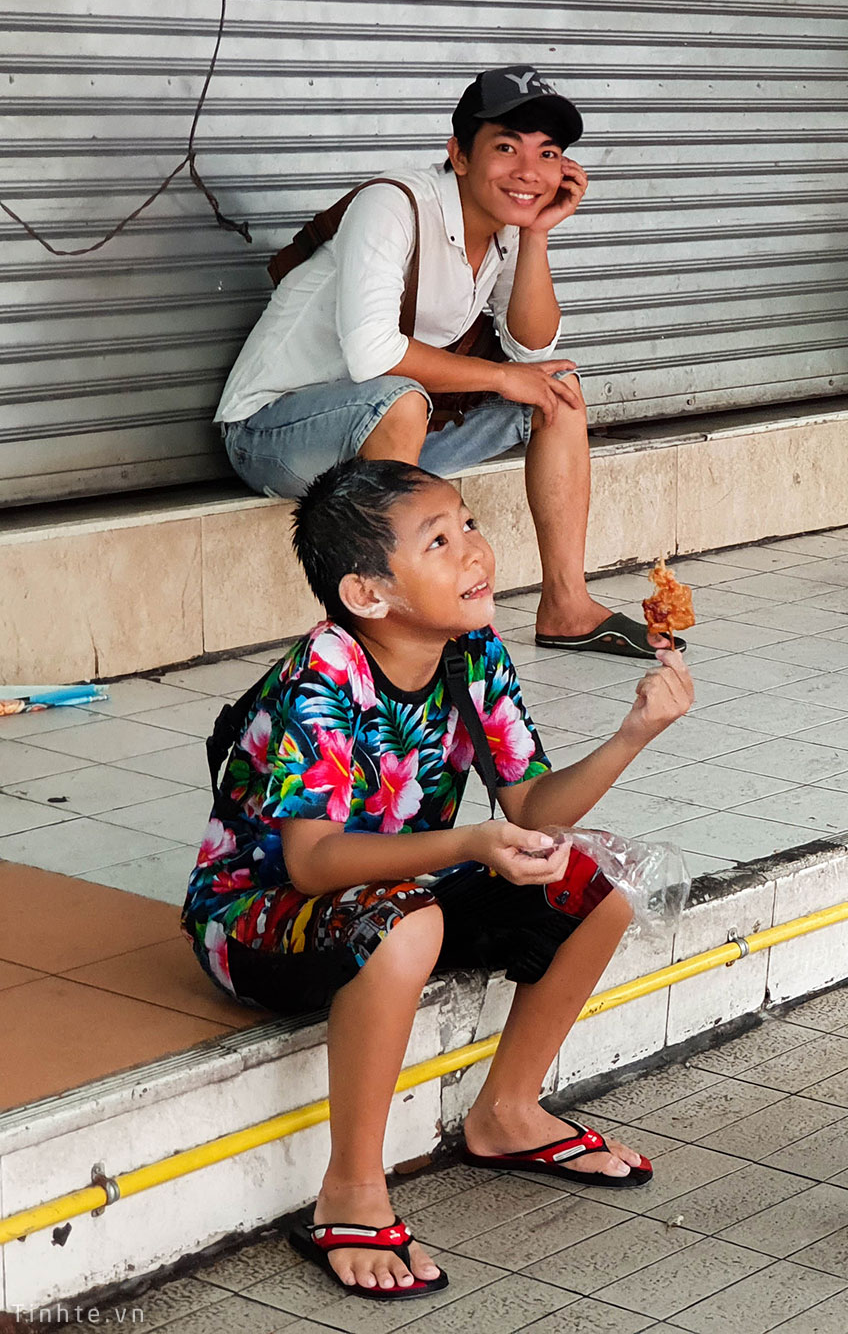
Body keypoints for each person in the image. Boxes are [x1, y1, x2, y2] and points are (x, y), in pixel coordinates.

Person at [181, 459, 694, 1301]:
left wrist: (633, 732)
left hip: (404, 891)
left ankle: (509, 1113)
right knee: (409, 922)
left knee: (592, 880)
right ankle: (350, 1189)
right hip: (255, 918)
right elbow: (312, 862)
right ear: (369, 594)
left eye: (470, 523)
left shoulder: (472, 651)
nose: (475, 551)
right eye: (440, 540)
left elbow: (533, 803)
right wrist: (475, 840)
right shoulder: (326, 672)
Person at [214, 67, 658, 660]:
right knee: (397, 396)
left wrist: (536, 236)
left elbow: (532, 352)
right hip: (270, 433)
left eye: (547, 154)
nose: (529, 170)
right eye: (506, 147)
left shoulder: (501, 230)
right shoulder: (392, 205)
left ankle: (566, 605)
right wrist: (502, 376)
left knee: (558, 390)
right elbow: (374, 353)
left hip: (390, 432)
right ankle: (392, 629)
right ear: (460, 154)